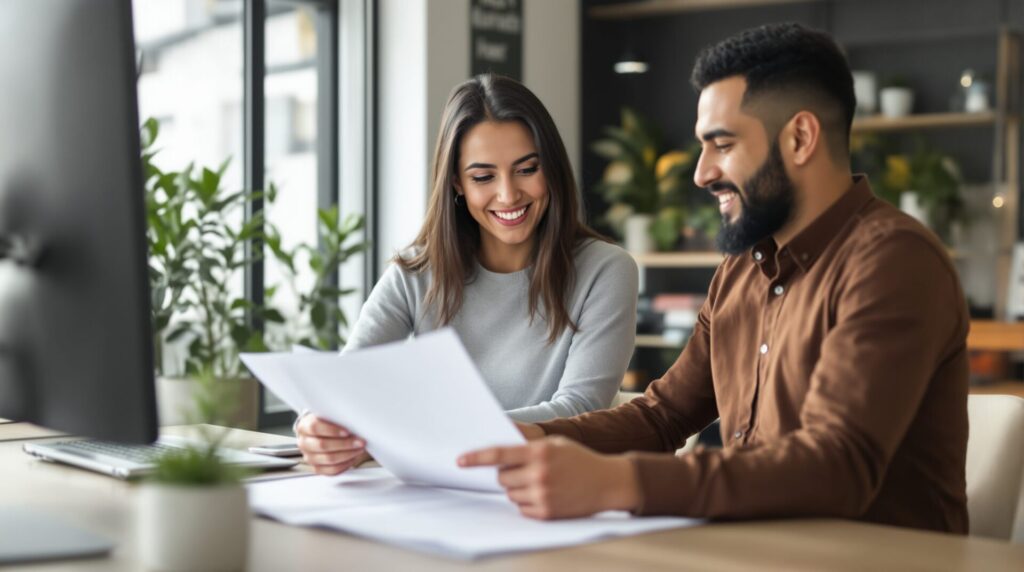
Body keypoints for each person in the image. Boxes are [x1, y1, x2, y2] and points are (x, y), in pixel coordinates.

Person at [460, 23, 971, 534]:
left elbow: (837, 465)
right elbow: (662, 417)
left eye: (722, 144)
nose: (701, 173)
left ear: (800, 138)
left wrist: (620, 482)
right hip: (757, 550)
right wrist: (530, 436)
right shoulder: (741, 269)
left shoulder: (893, 261)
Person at [296, 74, 639, 476]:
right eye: (483, 177)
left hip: (547, 489)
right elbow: (344, 387)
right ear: (457, 183)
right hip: (434, 489)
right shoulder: (415, 273)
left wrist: (413, 434)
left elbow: (579, 410)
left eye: (527, 169)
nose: (508, 195)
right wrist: (317, 426)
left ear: (551, 168)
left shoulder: (606, 271)